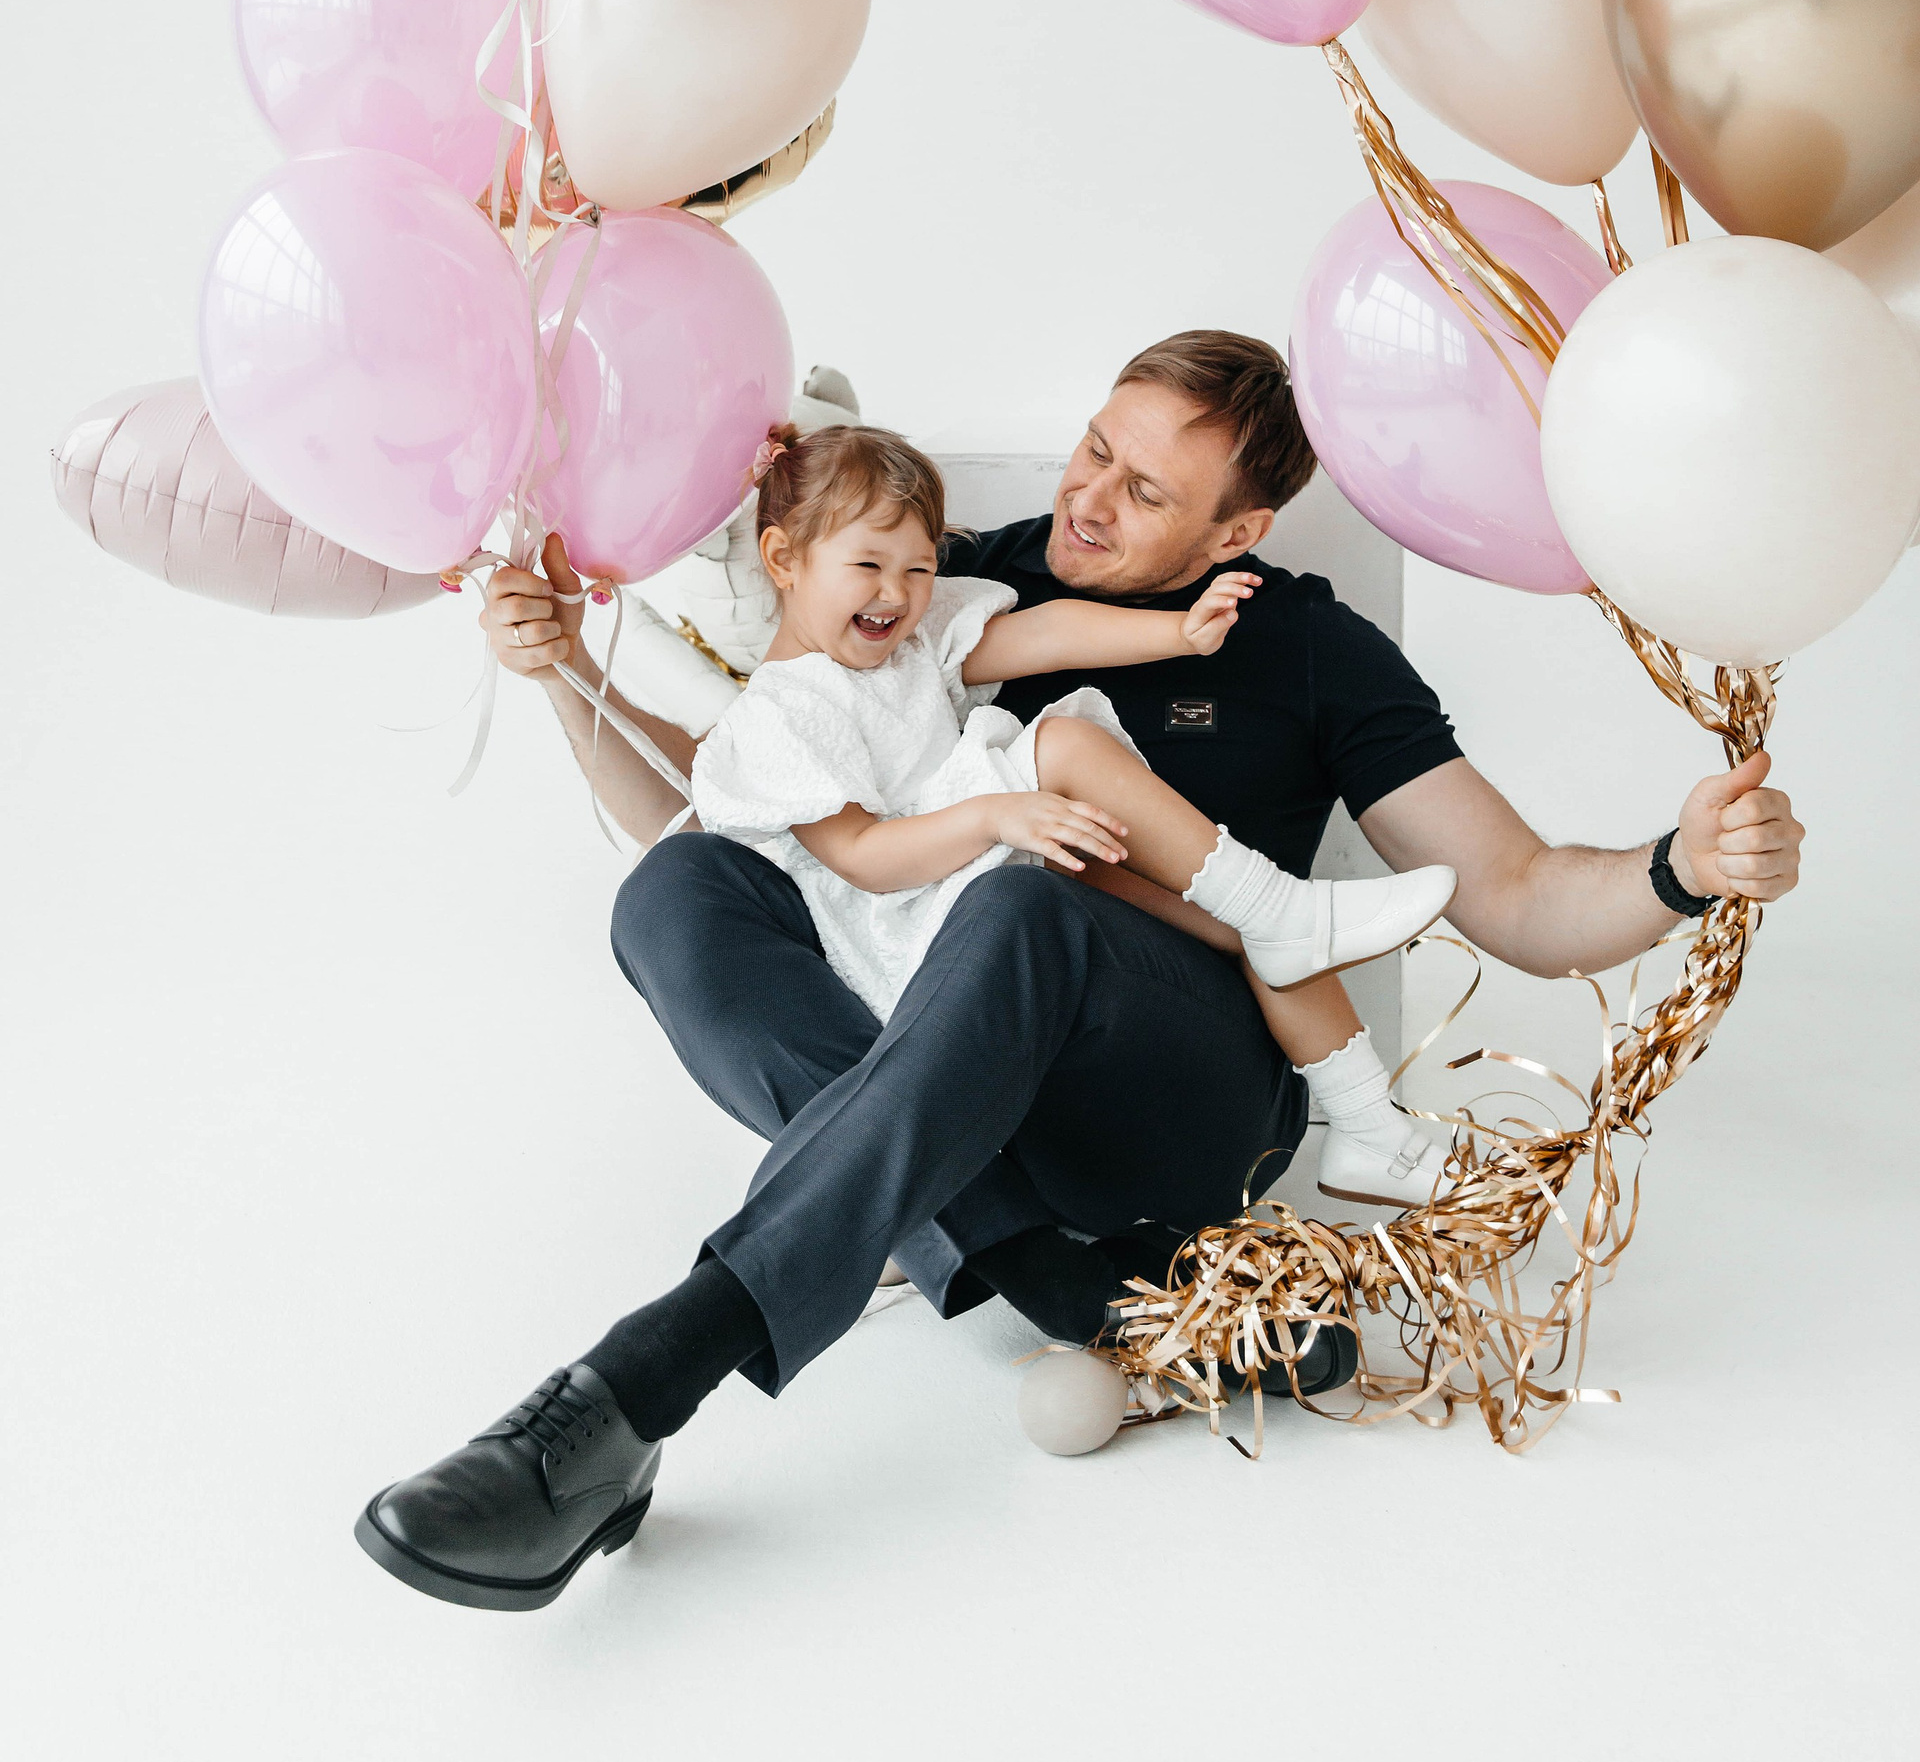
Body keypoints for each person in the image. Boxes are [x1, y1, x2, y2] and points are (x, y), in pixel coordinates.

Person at [354, 330, 1804, 1614]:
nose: (1089, 500)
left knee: (1021, 907)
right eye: (1096, 448)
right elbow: (753, 799)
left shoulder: (1313, 649)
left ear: (1241, 528)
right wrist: (569, 678)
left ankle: (636, 1383)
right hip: (944, 1055)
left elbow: (1521, 895)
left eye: (1146, 491)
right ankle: (1072, 1286)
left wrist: (1679, 866)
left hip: (1174, 1089)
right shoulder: (947, 579)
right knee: (674, 888)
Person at [691, 419, 1454, 1035]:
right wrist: (994, 814)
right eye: (868, 566)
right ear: (783, 559)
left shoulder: (912, 645)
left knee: (1229, 923)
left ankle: (1368, 1120)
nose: (896, 592)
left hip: (998, 865)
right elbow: (862, 857)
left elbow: (1049, 630)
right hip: (914, 922)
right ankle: (1282, 908)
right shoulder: (780, 713)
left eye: (918, 568)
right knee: (1063, 745)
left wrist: (1180, 633)